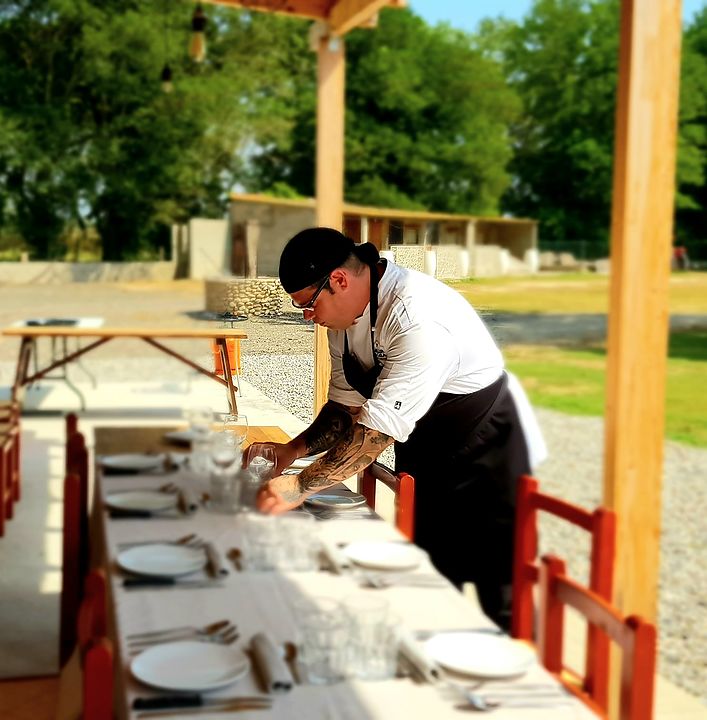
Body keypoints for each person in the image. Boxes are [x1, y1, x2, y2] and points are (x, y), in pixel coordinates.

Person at [251, 227, 537, 630]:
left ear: (339, 280)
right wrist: (291, 451)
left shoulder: (414, 317)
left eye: (309, 306)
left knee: (501, 590)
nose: (308, 318)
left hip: (486, 447)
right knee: (429, 576)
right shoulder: (346, 319)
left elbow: (373, 435)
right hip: (423, 442)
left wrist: (299, 487)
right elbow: (345, 410)